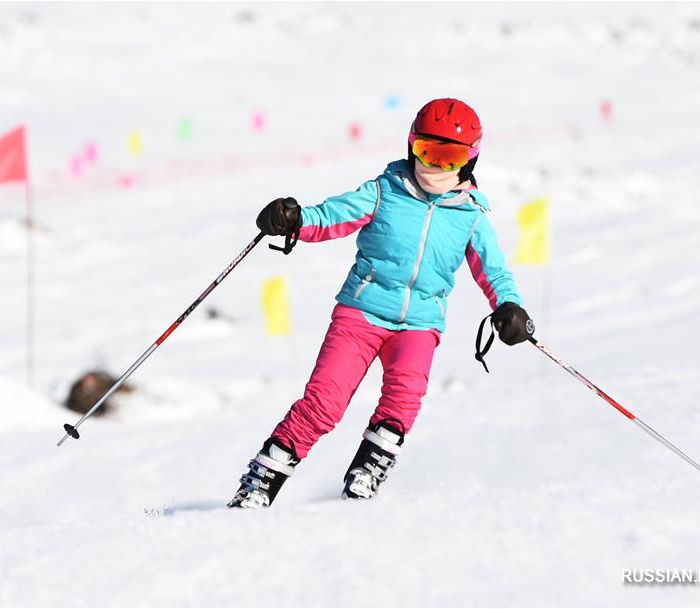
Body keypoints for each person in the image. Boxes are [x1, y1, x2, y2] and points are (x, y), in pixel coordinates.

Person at [228, 98, 534, 509]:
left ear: (469, 161)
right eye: (428, 151)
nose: (434, 167)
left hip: (419, 325)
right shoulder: (384, 191)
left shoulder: (472, 216)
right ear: (411, 146)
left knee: (403, 399)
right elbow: (332, 215)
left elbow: (494, 271)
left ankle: (366, 473)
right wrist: (296, 219)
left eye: (449, 157)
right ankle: (260, 482)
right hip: (360, 313)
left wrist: (509, 306)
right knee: (323, 403)